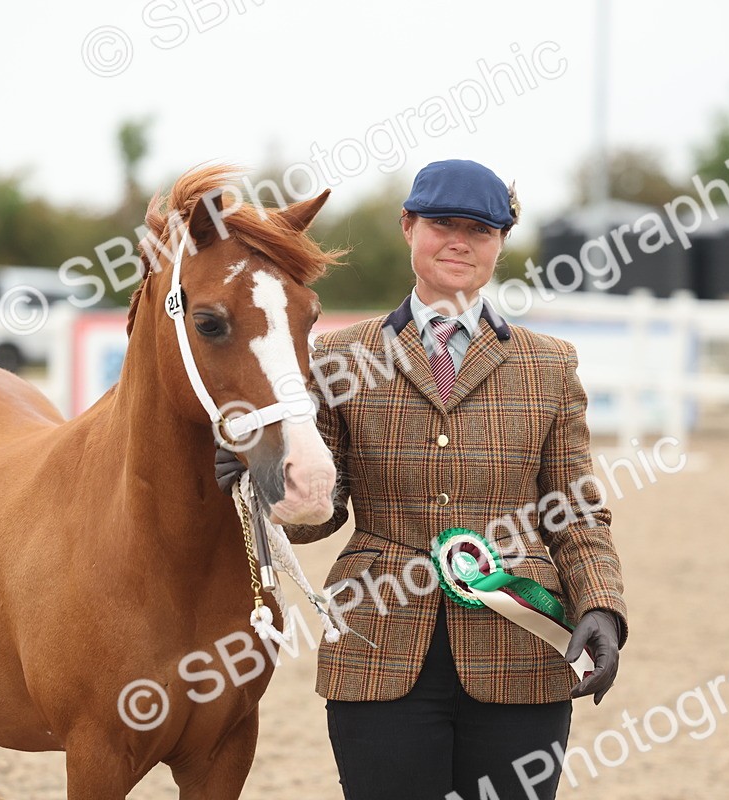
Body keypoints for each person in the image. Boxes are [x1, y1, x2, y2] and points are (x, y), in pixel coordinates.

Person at [216, 159, 627, 799]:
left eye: (481, 229)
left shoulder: (548, 365)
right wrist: (264, 481)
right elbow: (321, 513)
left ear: (501, 243)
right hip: (377, 645)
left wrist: (601, 604)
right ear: (408, 226)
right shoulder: (337, 357)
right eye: (443, 224)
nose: (460, 241)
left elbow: (573, 511)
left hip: (519, 649)